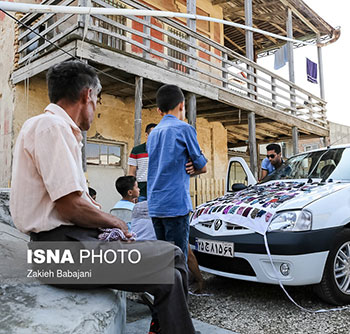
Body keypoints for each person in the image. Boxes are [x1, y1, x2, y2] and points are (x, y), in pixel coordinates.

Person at [9, 60, 195, 334]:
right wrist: (115, 222)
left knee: (173, 262)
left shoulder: (56, 129)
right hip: (60, 256)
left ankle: (166, 327)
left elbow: (71, 201)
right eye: (97, 99)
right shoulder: (51, 127)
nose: (96, 108)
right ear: (87, 96)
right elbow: (70, 206)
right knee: (172, 259)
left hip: (69, 247)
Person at [147, 84, 207, 261]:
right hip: (175, 204)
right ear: (182, 105)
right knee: (178, 260)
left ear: (159, 111)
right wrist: (195, 168)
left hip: (156, 204)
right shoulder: (184, 128)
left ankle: (166, 289)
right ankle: (180, 289)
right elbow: (201, 164)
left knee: (164, 259)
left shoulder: (153, 134)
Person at [128, 123, 156, 202]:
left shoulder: (162, 151)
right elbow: (132, 173)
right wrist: (132, 192)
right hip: (141, 189)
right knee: (140, 212)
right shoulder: (137, 150)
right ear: (147, 135)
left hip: (157, 188)